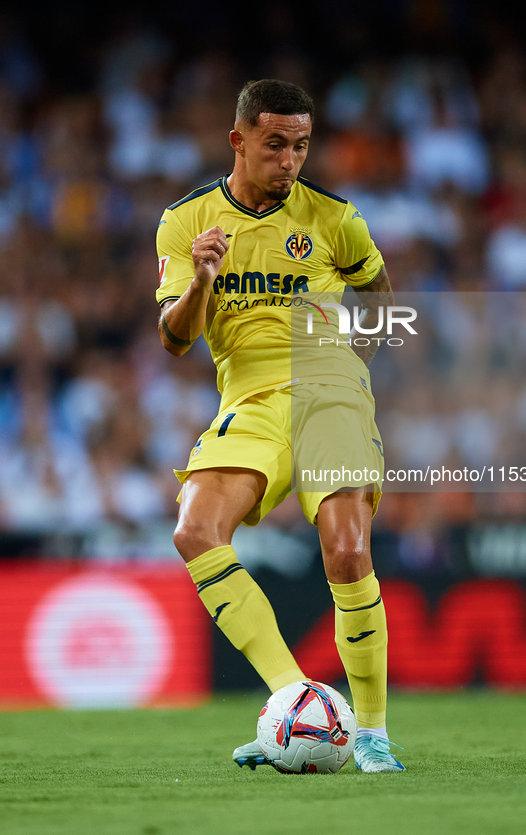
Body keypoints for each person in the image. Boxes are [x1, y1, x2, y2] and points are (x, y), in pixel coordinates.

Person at [155, 79, 404, 773]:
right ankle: (297, 704)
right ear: (237, 140)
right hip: (250, 400)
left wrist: (356, 365)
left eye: (300, 145)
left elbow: (378, 288)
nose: (290, 160)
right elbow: (174, 340)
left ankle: (373, 732)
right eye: (274, 145)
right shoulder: (186, 222)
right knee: (194, 530)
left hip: (329, 388)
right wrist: (204, 279)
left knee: (347, 551)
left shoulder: (334, 218)